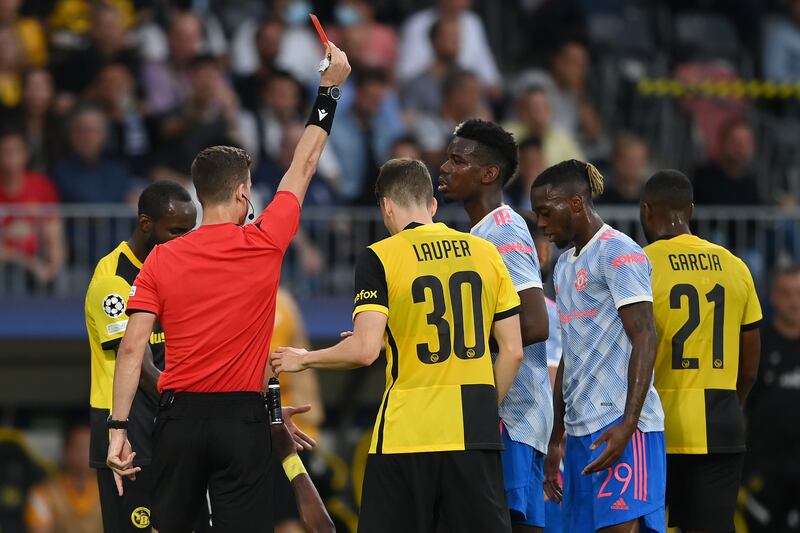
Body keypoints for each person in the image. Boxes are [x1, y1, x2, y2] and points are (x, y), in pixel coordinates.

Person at [106, 43, 351, 532]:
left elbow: (134, 349)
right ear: (243, 193)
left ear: (200, 195)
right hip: (241, 419)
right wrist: (330, 89)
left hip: (178, 419)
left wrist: (117, 430)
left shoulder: (161, 257)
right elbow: (303, 165)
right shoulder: (265, 241)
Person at [271, 157, 525, 533]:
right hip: (474, 431)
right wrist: (483, 408)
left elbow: (364, 350)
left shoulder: (382, 256)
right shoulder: (485, 252)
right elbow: (513, 350)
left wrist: (305, 358)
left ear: (386, 205)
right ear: (432, 205)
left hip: (407, 431)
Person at [531, 160, 666, 533]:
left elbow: (645, 336)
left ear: (576, 203)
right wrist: (556, 437)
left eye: (546, 212)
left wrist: (629, 424)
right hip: (578, 434)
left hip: (620, 430)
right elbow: (569, 358)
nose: (541, 224)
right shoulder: (562, 268)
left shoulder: (619, 252)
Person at [439, 118, 551, 532]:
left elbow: (536, 322)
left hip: (511, 416)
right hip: (514, 416)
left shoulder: (502, 229)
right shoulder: (483, 231)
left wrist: (465, 345)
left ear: (489, 173)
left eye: (457, 160)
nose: (444, 168)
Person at [639, 169, 762, 533]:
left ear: (647, 211)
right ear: (689, 210)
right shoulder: (735, 266)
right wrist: (731, 402)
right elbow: (750, 365)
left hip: (655, 426)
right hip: (721, 423)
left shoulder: (639, 264)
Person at [85, 181, 196, 532]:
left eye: (189, 231)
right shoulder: (113, 279)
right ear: (146, 223)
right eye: (175, 231)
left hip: (169, 428)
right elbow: (141, 366)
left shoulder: (178, 271)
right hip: (127, 435)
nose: (184, 240)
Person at [744, 265, 800, 533]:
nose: (794, 301)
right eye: (786, 294)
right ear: (773, 297)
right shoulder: (758, 344)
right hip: (766, 469)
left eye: (799, 293)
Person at [0, 129, 64, 291]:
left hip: (36, 267)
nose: (10, 157)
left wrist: (52, 267)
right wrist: (28, 262)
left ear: (26, 154)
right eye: (5, 151)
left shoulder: (41, 186)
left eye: (15, 150)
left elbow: (54, 233)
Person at [24, 423, 103, 533]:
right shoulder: (44, 494)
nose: (86, 453)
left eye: (91, 447)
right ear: (66, 451)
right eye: (80, 446)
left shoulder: (111, 492)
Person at [599, 134, 649, 206]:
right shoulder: (598, 202)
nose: (632, 165)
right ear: (614, 161)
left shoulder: (655, 201)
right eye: (627, 159)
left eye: (637, 160)